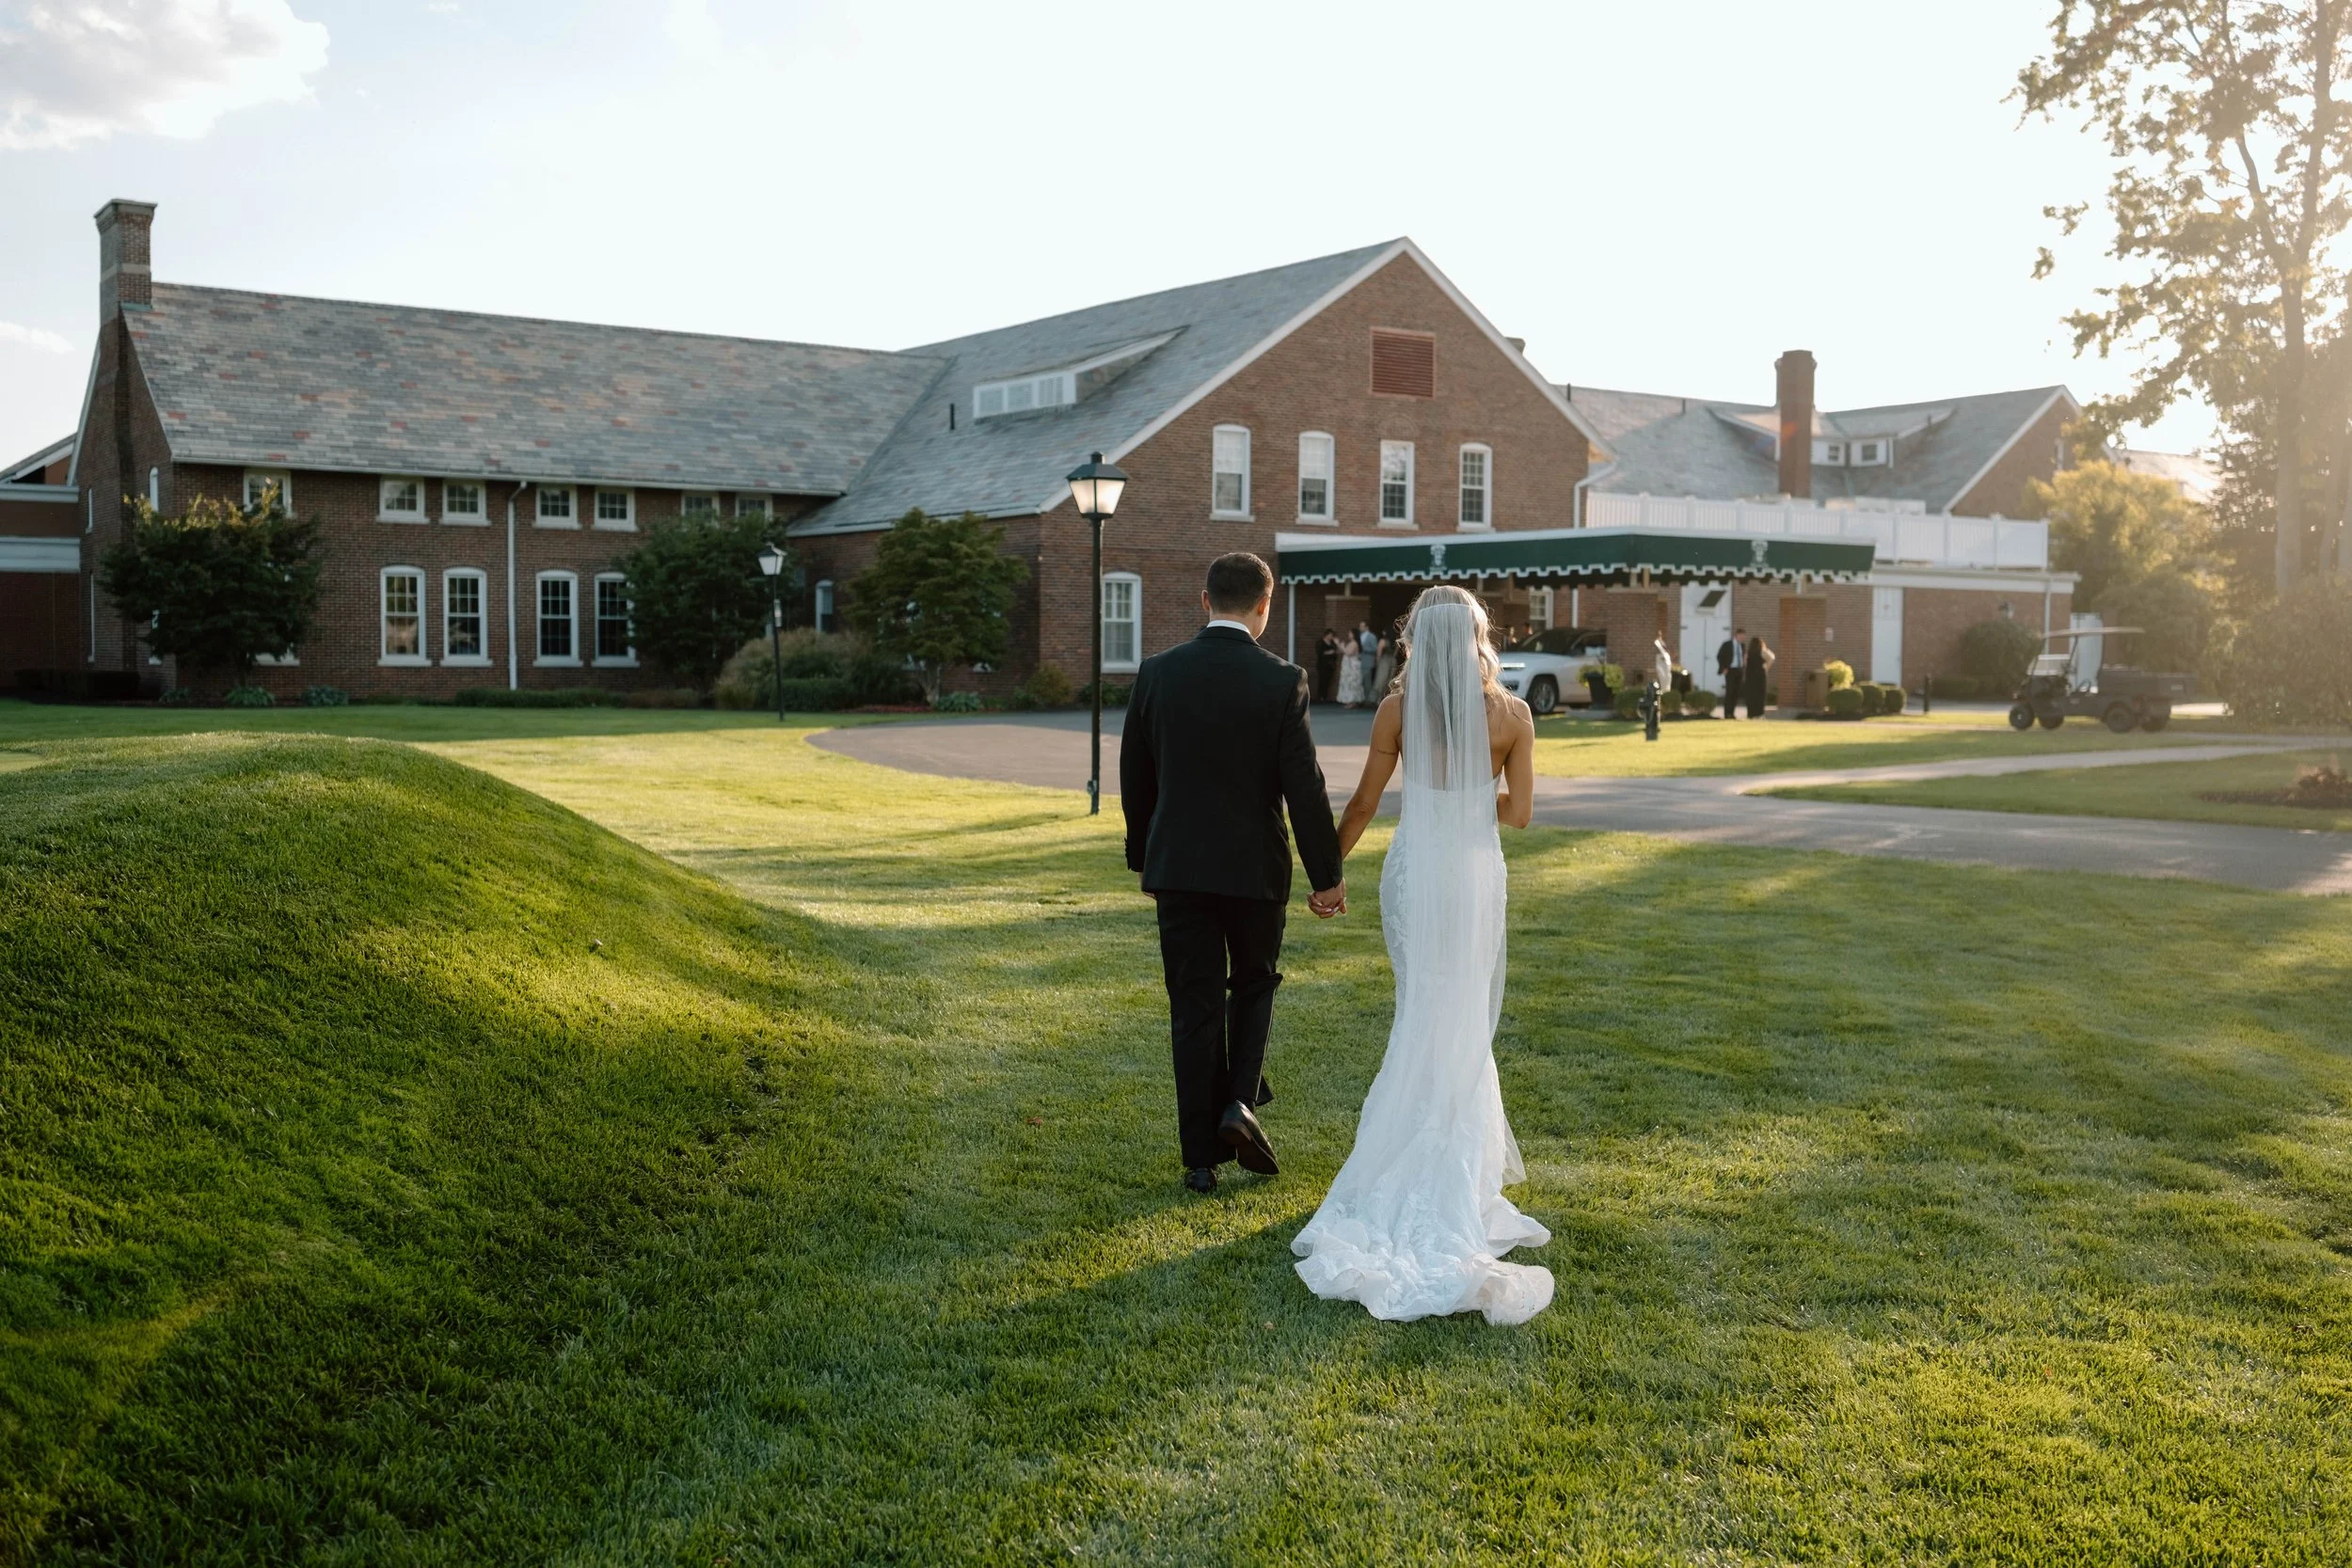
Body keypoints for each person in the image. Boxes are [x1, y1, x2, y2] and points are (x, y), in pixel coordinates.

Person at [1292, 585, 1553, 1326]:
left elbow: (1367, 804)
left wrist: (1328, 873)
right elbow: (1522, 812)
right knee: (1463, 1008)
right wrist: (1470, 805)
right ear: (1475, 639)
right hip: (1473, 875)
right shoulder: (1513, 716)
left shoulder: (1396, 712)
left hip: (1417, 872)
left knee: (1422, 1007)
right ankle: (1460, 1178)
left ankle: (1408, 1158)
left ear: (1415, 640)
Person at [1120, 552, 1345, 1196]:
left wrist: (1145, 853)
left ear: (1204, 600)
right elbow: (1303, 787)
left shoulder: (1158, 674)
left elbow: (1136, 775)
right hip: (1255, 868)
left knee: (1193, 1005)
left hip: (1180, 867)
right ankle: (1240, 1103)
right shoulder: (1282, 680)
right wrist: (1325, 874)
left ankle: (1199, 1160)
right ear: (1265, 607)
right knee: (1253, 985)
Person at [1717, 626, 1745, 719]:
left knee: (1736, 693)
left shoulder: (1742, 646)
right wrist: (1723, 668)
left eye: (1744, 637)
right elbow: (1719, 656)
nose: (1743, 638)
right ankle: (1726, 713)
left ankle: (1732, 713)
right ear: (1737, 635)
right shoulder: (1727, 644)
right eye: (1741, 636)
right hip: (1730, 670)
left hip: (1739, 671)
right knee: (1729, 692)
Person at [1743, 629, 1772, 718]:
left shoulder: (1748, 653)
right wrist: (1767, 667)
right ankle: (1759, 713)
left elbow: (1745, 664)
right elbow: (1772, 657)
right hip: (1760, 676)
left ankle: (1751, 713)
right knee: (1760, 694)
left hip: (1750, 676)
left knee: (1751, 695)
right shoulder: (1763, 652)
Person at [1334, 629, 1366, 706]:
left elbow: (1348, 653)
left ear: (1354, 634)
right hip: (1348, 665)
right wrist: (1340, 646)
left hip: (1352, 666)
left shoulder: (1354, 643)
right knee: (1347, 682)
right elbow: (1344, 651)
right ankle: (1349, 700)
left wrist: (1340, 645)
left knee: (1351, 682)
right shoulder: (1351, 643)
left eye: (1350, 633)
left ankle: (1352, 701)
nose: (1349, 634)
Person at [1373, 622, 1399, 698]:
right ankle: (1386, 697)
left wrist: (1377, 663)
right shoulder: (1396, 642)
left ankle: (1378, 699)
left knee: (1381, 680)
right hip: (1393, 661)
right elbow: (1395, 654)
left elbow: (1379, 654)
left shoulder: (1383, 641)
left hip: (1384, 661)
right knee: (1389, 680)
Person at [1314, 628, 1341, 704]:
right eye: (1330, 635)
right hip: (1322, 664)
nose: (1331, 637)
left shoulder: (1332, 643)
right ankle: (1320, 697)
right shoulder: (1320, 642)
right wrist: (1329, 652)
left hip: (1331, 665)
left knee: (1328, 681)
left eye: (1332, 636)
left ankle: (1325, 696)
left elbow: (1336, 651)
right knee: (1322, 680)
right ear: (1326, 635)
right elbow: (1319, 653)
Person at [1356, 622, 1379, 705]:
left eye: (1362, 626)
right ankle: (1361, 699)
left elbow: (1375, 649)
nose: (1360, 628)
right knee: (1360, 681)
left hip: (1368, 661)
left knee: (1367, 681)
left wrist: (1364, 648)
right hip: (1360, 661)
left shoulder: (1372, 637)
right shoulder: (1360, 636)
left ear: (1367, 627)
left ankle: (1368, 700)